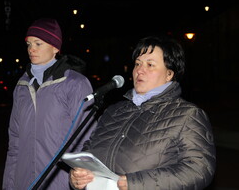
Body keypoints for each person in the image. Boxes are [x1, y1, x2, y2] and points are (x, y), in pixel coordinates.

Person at [69, 35, 216, 190]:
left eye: (150, 65)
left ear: (169, 74)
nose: (139, 70)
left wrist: (137, 183)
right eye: (137, 64)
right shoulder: (113, 111)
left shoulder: (188, 115)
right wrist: (78, 175)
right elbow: (89, 148)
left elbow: (199, 170)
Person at [2, 18, 96, 189]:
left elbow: (88, 138)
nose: (31, 49)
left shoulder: (76, 84)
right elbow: (14, 144)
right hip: (24, 183)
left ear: (55, 48)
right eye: (29, 44)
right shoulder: (21, 86)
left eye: (38, 43)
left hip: (60, 183)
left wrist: (80, 180)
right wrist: (9, 185)